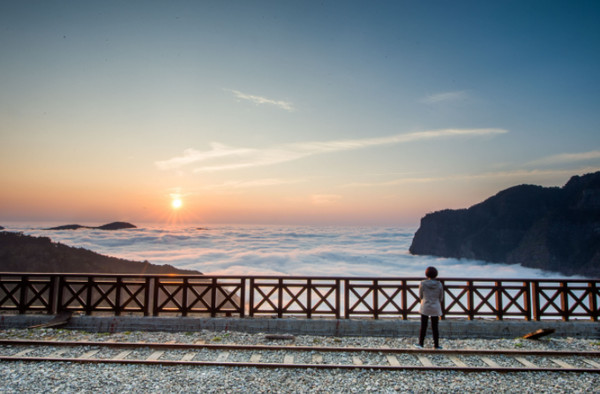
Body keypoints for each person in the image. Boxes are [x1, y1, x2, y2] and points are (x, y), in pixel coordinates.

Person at [415, 266, 444, 349]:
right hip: (436, 307)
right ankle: (436, 345)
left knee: (423, 325)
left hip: (425, 306)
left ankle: (421, 344)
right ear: (436, 275)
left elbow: (420, 295)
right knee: (435, 326)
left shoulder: (423, 283)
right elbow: (441, 297)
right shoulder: (439, 284)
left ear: (426, 274)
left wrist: (424, 300)